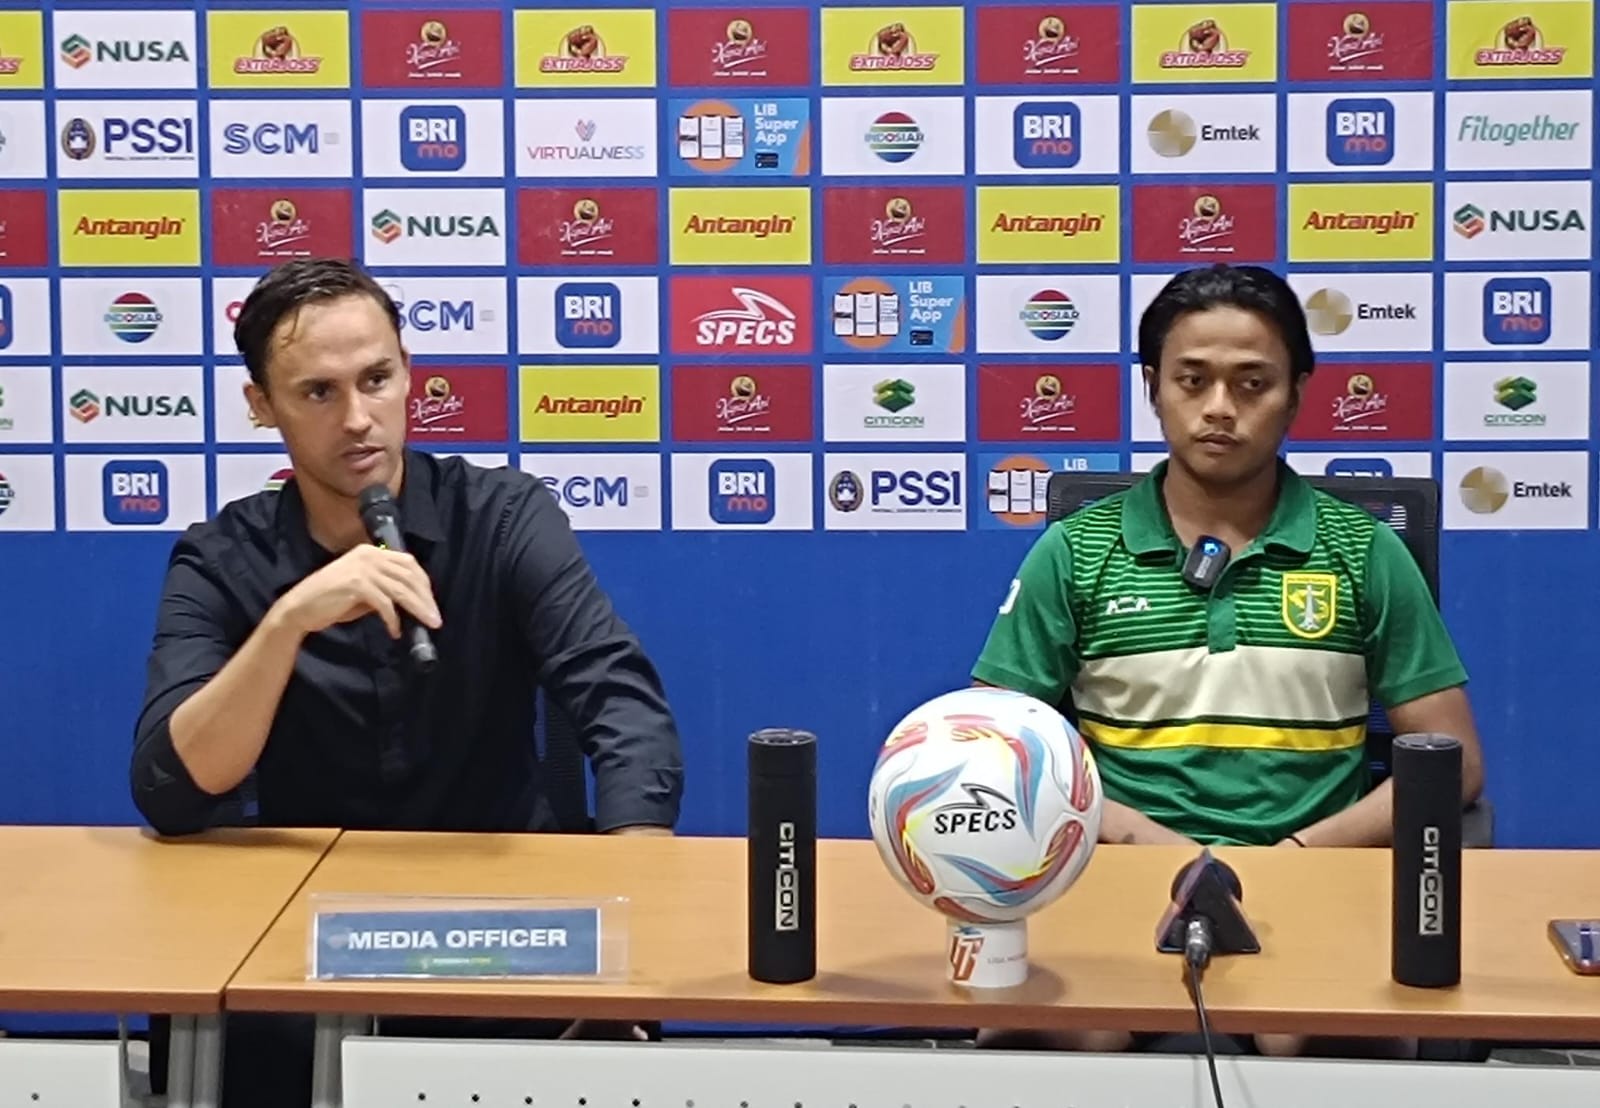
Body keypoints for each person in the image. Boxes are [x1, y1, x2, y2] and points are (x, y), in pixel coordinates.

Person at [129, 258, 685, 1106]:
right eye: (318, 393)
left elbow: (617, 701)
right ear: (260, 405)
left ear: (408, 372)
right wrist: (286, 624)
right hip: (296, 930)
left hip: (501, 915)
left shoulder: (500, 517)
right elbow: (171, 788)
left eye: (377, 379)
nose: (359, 420)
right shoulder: (222, 558)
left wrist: (634, 936)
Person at [969, 263, 1485, 1057]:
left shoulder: (1363, 553)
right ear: (1152, 386)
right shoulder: (1076, 552)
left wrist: (1298, 858)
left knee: (1303, 1035)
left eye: (1252, 384)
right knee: (1077, 1030)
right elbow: (990, 753)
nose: (1219, 409)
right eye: (1192, 380)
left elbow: (1453, 766)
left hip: (1313, 882)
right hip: (1115, 880)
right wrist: (1138, 841)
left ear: (1298, 392)